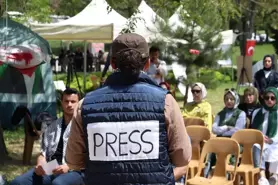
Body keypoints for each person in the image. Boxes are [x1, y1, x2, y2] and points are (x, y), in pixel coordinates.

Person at [65, 33, 191, 185]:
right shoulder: (166, 101)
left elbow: (73, 161)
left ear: (112, 63)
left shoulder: (86, 104)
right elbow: (182, 157)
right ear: (147, 63)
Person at [10, 88, 83, 185]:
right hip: (52, 166)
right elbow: (43, 153)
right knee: (18, 182)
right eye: (66, 101)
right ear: (61, 103)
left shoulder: (83, 126)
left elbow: (89, 156)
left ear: (79, 104)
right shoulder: (52, 126)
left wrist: (68, 167)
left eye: (73, 101)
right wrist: (40, 165)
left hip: (74, 168)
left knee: (58, 183)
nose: (69, 105)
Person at [251, 87, 278, 185]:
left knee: (276, 153)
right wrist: (260, 137)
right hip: (261, 141)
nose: (269, 100)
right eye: (267, 98)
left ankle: (274, 176)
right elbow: (253, 130)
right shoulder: (257, 112)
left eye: (272, 98)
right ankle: (262, 176)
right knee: (257, 146)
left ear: (277, 99)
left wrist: (272, 140)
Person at [204, 89, 246, 177]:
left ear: (236, 100)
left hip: (234, 142)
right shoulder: (220, 114)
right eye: (227, 99)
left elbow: (237, 131)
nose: (229, 101)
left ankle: (225, 178)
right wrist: (226, 127)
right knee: (209, 152)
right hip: (220, 141)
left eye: (231, 99)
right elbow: (214, 129)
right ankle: (207, 176)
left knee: (227, 155)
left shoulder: (241, 114)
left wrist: (222, 131)